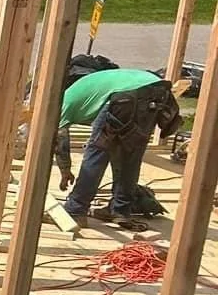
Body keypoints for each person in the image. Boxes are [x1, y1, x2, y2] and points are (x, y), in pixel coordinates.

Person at [56, 65, 183, 225]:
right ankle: (120, 210)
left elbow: (60, 140)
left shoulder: (62, 104)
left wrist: (65, 170)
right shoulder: (80, 93)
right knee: (130, 155)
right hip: (158, 93)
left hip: (125, 98)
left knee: (96, 153)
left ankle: (75, 210)